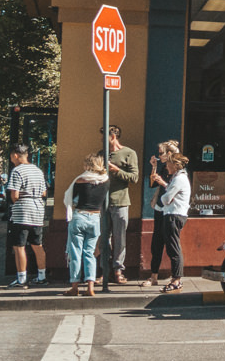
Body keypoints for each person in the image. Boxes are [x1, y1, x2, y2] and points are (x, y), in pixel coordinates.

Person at [142, 140, 190, 291]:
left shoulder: (178, 176)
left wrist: (164, 185)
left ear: (170, 156)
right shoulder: (169, 172)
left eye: (161, 153)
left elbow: (167, 197)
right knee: (160, 243)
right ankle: (158, 276)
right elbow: (153, 184)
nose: (159, 156)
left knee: (173, 247)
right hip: (165, 211)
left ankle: (176, 279)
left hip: (172, 212)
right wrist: (154, 168)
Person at [62, 153, 108, 297]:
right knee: (90, 253)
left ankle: (74, 286)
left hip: (80, 216)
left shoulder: (80, 180)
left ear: (88, 165)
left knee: (75, 252)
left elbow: (70, 198)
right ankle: (90, 287)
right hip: (95, 218)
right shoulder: (106, 181)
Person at [6, 143, 49, 288]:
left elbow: (15, 194)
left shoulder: (17, 171)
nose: (11, 159)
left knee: (19, 246)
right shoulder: (38, 171)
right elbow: (44, 193)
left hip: (22, 212)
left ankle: (21, 278)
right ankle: (41, 276)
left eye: (12, 156)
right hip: (37, 211)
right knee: (38, 245)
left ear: (16, 155)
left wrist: (16, 200)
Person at [102, 125, 140, 283]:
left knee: (119, 237)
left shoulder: (129, 153)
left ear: (113, 137)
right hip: (103, 202)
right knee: (103, 238)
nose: (102, 140)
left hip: (120, 201)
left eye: (105, 136)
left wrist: (117, 170)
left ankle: (118, 270)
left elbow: (135, 177)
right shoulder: (101, 153)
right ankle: (103, 270)